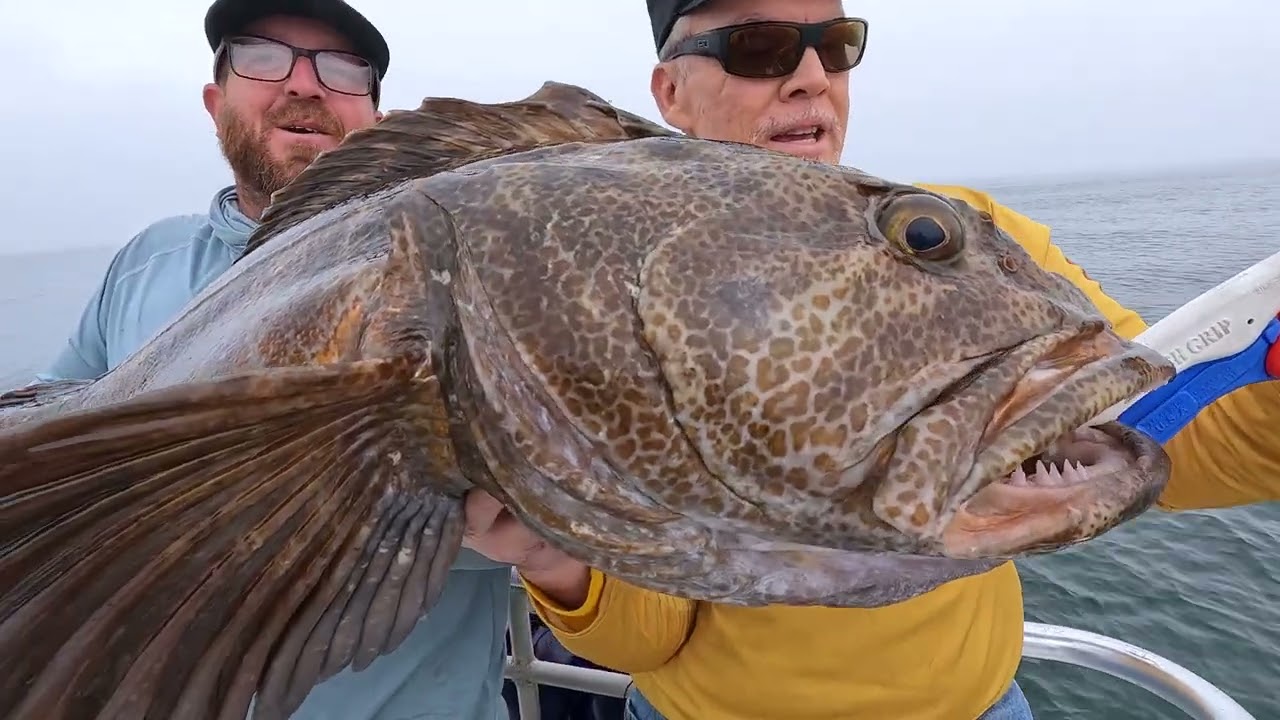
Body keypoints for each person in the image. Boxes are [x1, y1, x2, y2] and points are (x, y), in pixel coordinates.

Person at [462, 1, 1280, 719]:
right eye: (759, 49)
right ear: (670, 91)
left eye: (837, 43)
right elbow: (645, 639)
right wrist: (553, 556)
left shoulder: (968, 239)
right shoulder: (607, 301)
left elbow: (1171, 431)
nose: (812, 76)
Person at [39, 1, 513, 718]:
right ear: (215, 101)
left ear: (376, 122)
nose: (305, 85)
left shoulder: (476, 263)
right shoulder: (145, 261)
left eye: (342, 68)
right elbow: (54, 440)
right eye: (263, 57)